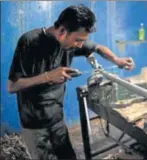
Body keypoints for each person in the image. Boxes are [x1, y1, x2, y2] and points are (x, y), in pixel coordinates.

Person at [7, 4, 134, 160]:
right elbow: (12, 87)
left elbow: (98, 47)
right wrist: (47, 76)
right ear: (62, 31)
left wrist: (117, 60)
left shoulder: (71, 42)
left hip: (57, 118)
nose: (80, 46)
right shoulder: (29, 42)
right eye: (78, 40)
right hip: (34, 124)